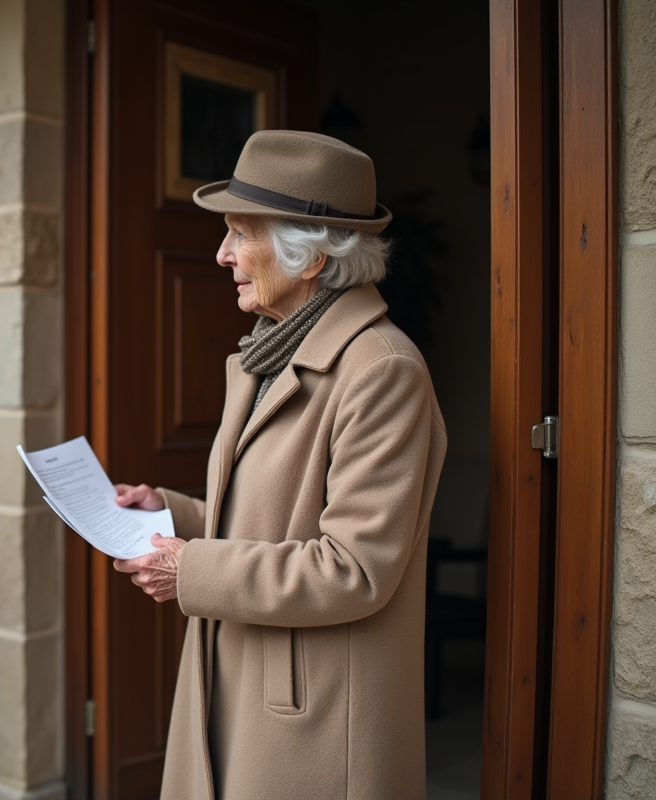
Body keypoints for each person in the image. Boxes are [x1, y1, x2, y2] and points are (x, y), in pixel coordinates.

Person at [113, 130, 447, 799]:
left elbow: (353, 568)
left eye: (241, 234)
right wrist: (171, 513)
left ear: (311, 255)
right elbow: (272, 520)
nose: (222, 254)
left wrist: (190, 569)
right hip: (243, 676)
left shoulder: (383, 370)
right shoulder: (267, 354)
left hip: (314, 717)